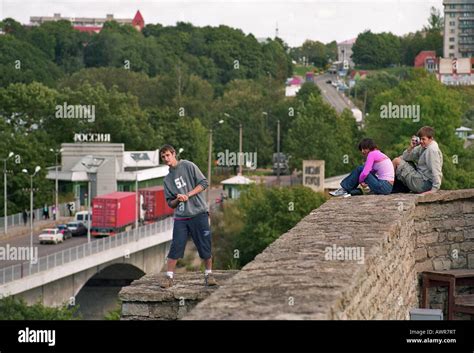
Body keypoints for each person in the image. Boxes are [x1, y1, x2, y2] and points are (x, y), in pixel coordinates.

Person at [159, 144, 217, 288]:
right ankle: (169, 277)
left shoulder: (188, 165)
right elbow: (170, 203)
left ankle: (209, 274)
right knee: (176, 245)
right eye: (163, 157)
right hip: (181, 217)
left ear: (173, 154)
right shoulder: (167, 180)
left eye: (168, 155)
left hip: (199, 213)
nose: (166, 159)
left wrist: (188, 195)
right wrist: (178, 199)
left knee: (205, 244)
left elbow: (204, 183)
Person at [330, 138, 394, 197]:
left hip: (384, 186)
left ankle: (344, 189)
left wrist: (361, 181)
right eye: (361, 149)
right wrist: (362, 180)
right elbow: (370, 172)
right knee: (361, 171)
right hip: (387, 187)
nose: (362, 151)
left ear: (370, 147)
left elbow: (365, 172)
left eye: (364, 149)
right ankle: (350, 191)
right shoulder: (378, 154)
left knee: (360, 168)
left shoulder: (372, 154)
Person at [392, 126, 443, 194]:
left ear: (431, 139)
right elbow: (405, 157)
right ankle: (397, 187)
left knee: (396, 161)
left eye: (423, 139)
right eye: (420, 139)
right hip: (421, 179)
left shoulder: (432, 150)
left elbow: (436, 170)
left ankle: (387, 185)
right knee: (401, 159)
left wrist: (434, 189)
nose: (421, 141)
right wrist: (411, 147)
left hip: (424, 184)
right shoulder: (424, 146)